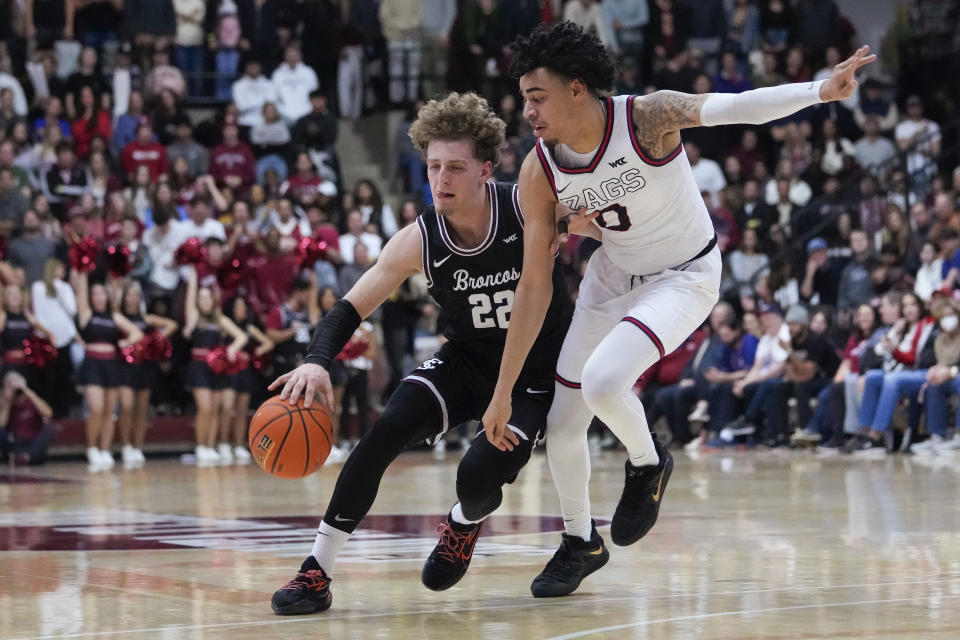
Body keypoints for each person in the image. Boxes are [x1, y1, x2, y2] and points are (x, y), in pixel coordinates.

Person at [484, 21, 875, 596]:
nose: (529, 112)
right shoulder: (538, 170)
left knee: (604, 380)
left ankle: (647, 463)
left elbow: (738, 106)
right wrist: (503, 391)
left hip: (684, 274)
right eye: (524, 100)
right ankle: (578, 542)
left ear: (575, 89)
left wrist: (819, 90)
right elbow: (534, 286)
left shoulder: (646, 117)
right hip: (612, 275)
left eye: (537, 97)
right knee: (562, 427)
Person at [267, 92, 574, 615]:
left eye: (455, 167)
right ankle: (316, 571)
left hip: (531, 373)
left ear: (485, 167)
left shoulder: (528, 208)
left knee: (476, 479)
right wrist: (318, 358)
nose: (441, 179)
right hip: (466, 363)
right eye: (433, 166)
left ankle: (463, 522)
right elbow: (349, 307)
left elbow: (598, 221)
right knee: (382, 433)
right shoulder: (419, 239)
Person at [72, 271, 143, 470]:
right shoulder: (87, 314)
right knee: (96, 408)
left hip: (111, 364)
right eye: (95, 294)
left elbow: (137, 333)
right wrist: (83, 268)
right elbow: (81, 295)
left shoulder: (114, 316)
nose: (98, 297)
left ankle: (105, 449)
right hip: (92, 363)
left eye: (102, 294)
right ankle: (92, 447)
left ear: (107, 296)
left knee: (110, 411)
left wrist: (124, 342)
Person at [182, 266, 247, 465]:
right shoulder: (194, 317)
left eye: (207, 297)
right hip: (198, 367)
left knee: (217, 408)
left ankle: (210, 446)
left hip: (217, 367)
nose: (204, 301)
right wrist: (194, 274)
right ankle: (201, 446)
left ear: (213, 300)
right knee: (205, 408)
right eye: (201, 298)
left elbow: (242, 336)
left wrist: (232, 348)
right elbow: (190, 298)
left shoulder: (220, 319)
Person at [116, 281, 178, 467]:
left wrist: (156, 339)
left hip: (144, 366)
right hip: (125, 366)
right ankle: (125, 445)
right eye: (129, 295)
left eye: (136, 295)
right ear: (124, 297)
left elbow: (172, 325)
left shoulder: (146, 318)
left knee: (141, 409)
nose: (132, 298)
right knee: (126, 406)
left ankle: (137, 446)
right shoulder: (119, 318)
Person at [222, 295, 273, 464]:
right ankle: (223, 443)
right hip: (228, 371)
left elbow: (268, 343)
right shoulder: (226, 326)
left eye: (244, 306)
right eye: (238, 306)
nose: (242, 309)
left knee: (242, 411)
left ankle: (238, 445)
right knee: (228, 408)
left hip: (245, 372)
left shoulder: (249, 328)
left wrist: (254, 354)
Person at [0, 371, 55, 466]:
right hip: (13, 442)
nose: (19, 395)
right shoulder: (5, 403)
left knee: (49, 427)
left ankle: (27, 457)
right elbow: (1, 425)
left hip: (32, 442)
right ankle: (17, 457)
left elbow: (48, 413)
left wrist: (28, 392)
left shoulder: (32, 401)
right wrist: (8, 402)